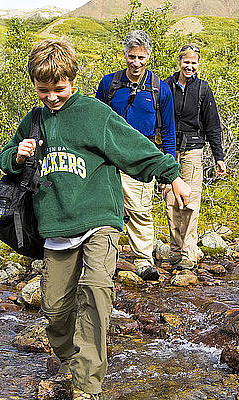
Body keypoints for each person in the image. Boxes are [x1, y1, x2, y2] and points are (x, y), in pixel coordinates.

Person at [0, 39, 190, 400]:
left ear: (72, 80)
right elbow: (6, 158)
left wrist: (172, 175)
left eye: (59, 88)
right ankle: (76, 360)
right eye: (44, 90)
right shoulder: (34, 121)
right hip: (55, 228)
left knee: (96, 293)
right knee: (54, 311)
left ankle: (87, 386)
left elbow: (134, 147)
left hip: (100, 219)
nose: (52, 96)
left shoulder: (93, 114)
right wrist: (18, 155)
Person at [95, 30, 176, 281]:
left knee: (140, 210)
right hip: (109, 157)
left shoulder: (160, 89)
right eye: (132, 57)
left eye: (141, 57)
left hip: (143, 159)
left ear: (148, 56)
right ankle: (103, 262)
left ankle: (143, 261)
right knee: (105, 210)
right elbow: (96, 121)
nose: (136, 63)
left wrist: (169, 170)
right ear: (124, 55)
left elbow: (169, 131)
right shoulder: (109, 84)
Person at [164, 43, 226, 270]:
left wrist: (218, 156)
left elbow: (213, 124)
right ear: (179, 62)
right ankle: (175, 249)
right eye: (186, 62)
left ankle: (188, 253)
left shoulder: (202, 89)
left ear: (198, 64)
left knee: (189, 200)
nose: (189, 66)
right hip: (169, 150)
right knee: (170, 200)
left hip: (193, 149)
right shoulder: (166, 86)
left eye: (193, 63)